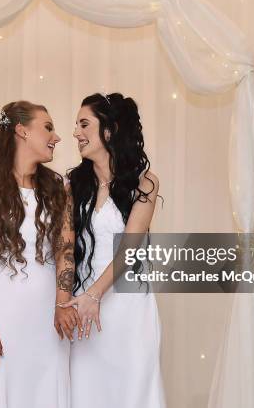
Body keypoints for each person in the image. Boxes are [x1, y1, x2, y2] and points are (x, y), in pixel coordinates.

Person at [0, 100, 79, 408]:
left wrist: (63, 304)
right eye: (48, 128)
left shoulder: (59, 185)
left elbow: (66, 250)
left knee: (47, 393)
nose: (57, 137)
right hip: (0, 315)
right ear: (22, 131)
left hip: (48, 317)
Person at [61, 93, 167, 408]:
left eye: (84, 124)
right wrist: (74, 299)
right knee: (88, 392)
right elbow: (65, 247)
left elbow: (131, 247)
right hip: (85, 307)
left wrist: (95, 295)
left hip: (128, 306)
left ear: (109, 130)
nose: (76, 133)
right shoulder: (73, 184)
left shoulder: (145, 183)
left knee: (133, 391)